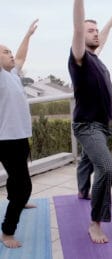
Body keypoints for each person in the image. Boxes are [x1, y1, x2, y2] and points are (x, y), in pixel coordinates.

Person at [68, 0, 112, 244]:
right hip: (88, 125)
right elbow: (79, 29)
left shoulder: (95, 58)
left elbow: (104, 38)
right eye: (91, 30)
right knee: (106, 168)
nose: (95, 33)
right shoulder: (79, 58)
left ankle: (82, 189)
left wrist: (109, 23)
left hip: (101, 124)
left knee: (88, 160)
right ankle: (95, 223)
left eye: (96, 31)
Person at [0, 19, 38, 248]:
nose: (11, 54)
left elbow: (21, 57)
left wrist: (28, 35)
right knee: (24, 186)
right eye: (6, 52)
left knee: (17, 177)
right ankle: (7, 232)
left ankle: (18, 201)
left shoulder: (12, 73)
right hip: (5, 139)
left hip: (20, 136)